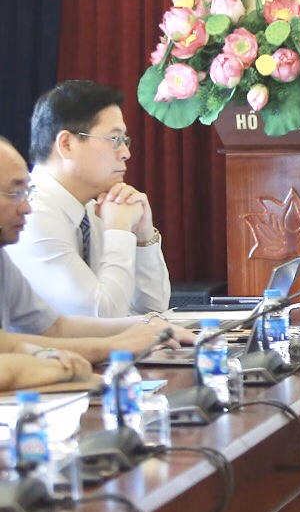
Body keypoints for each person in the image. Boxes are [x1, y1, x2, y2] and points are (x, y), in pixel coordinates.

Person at [0, 137, 172, 363]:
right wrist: (117, 346)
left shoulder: (99, 207)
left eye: (26, 192)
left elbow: (54, 327)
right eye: (15, 193)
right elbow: (7, 345)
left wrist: (154, 327)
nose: (26, 208)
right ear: (67, 144)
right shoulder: (40, 217)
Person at [14, 80, 172, 318]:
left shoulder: (93, 208)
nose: (126, 153)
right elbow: (103, 317)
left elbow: (153, 310)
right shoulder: (32, 214)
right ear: (67, 144)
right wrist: (119, 230)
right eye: (115, 140)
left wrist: (143, 235)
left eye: (125, 141)